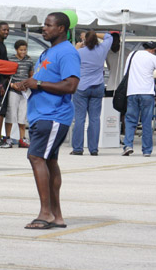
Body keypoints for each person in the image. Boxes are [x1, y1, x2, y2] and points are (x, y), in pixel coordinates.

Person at [16, 12, 80, 230]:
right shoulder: (49, 51)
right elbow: (41, 80)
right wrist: (28, 83)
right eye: (44, 25)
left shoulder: (67, 52)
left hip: (53, 115)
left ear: (61, 28)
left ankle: (45, 213)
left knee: (35, 156)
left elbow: (71, 86)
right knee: (49, 161)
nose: (44, 28)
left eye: (49, 25)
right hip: (41, 114)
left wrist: (39, 84)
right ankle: (57, 215)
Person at [122, 41, 156, 157]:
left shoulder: (132, 54)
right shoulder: (153, 58)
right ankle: (147, 150)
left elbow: (125, 74)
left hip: (132, 92)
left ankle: (128, 145)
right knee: (146, 122)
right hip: (147, 93)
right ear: (154, 50)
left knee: (130, 120)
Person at [71, 31, 113, 156]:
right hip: (97, 85)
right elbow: (109, 36)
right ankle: (93, 148)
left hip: (81, 86)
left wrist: (77, 47)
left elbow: (70, 58)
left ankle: (78, 148)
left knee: (80, 118)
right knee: (95, 119)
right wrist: (94, 33)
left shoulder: (79, 52)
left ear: (84, 41)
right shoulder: (102, 49)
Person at [8, 39, 34, 148]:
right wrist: (13, 85)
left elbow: (31, 75)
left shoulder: (29, 61)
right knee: (11, 113)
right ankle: (8, 137)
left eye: (25, 50)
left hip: (24, 91)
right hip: (13, 90)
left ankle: (22, 138)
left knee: (22, 115)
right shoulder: (11, 59)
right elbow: (7, 76)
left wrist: (27, 85)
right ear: (16, 50)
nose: (23, 52)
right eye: (21, 50)